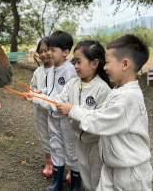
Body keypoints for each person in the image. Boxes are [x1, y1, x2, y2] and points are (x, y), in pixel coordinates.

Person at [58, 34, 153, 191]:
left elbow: (99, 122)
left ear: (125, 64)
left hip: (130, 171)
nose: (105, 67)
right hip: (112, 165)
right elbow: (98, 114)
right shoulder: (118, 91)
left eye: (108, 62)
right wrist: (77, 113)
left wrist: (74, 110)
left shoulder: (128, 97)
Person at [25, 40, 112, 191]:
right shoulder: (73, 84)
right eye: (75, 61)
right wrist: (36, 98)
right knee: (76, 162)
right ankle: (70, 186)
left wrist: (72, 111)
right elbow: (58, 100)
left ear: (94, 63)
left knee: (94, 173)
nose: (75, 66)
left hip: (93, 143)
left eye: (78, 62)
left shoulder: (102, 89)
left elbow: (101, 119)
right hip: (77, 136)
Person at [30, 31, 79, 191]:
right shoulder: (52, 70)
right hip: (52, 116)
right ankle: (57, 183)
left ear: (65, 52)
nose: (49, 53)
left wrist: (37, 99)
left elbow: (63, 97)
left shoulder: (70, 71)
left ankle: (75, 184)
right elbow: (52, 89)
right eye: (47, 49)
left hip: (65, 119)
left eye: (52, 50)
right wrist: (41, 92)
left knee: (71, 148)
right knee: (56, 146)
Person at [30, 37, 54, 178]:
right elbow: (33, 87)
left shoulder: (59, 70)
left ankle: (71, 167)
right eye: (41, 51)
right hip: (41, 110)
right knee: (45, 135)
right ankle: (49, 163)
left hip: (58, 111)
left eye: (47, 50)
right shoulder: (38, 72)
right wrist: (31, 93)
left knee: (63, 137)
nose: (44, 54)